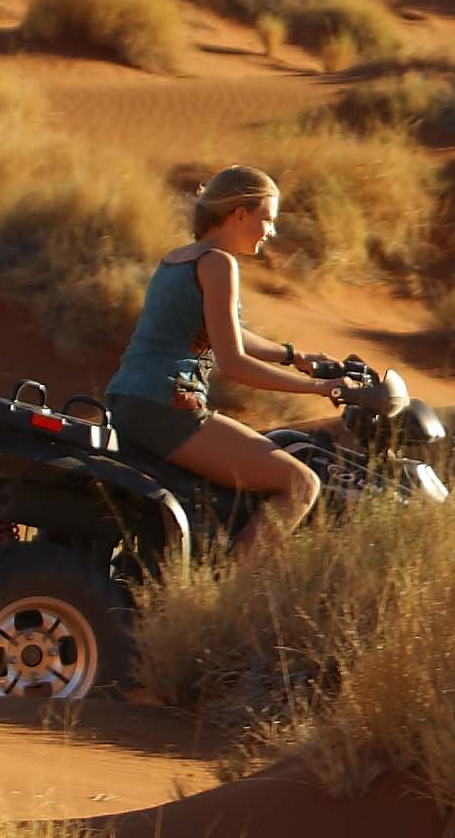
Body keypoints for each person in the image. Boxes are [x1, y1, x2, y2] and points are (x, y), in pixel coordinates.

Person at [109, 166, 326, 554]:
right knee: (301, 484)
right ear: (240, 213)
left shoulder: (178, 259)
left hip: (127, 402)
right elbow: (233, 362)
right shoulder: (219, 263)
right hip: (169, 408)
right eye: (268, 220)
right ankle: (225, 596)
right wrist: (318, 388)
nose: (270, 232)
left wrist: (294, 356)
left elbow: (224, 331)